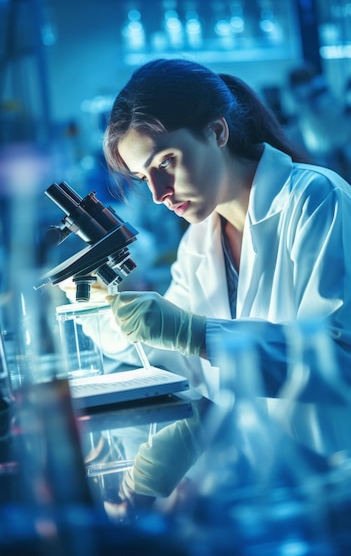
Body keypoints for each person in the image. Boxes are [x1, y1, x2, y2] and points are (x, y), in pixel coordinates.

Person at [62, 58, 351, 453]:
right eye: (144, 177)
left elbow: (339, 359)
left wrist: (199, 334)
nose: (158, 193)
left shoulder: (315, 199)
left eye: (166, 162)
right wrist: (101, 307)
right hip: (254, 474)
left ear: (217, 132)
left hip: (331, 470)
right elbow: (170, 354)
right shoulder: (199, 241)